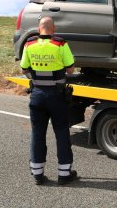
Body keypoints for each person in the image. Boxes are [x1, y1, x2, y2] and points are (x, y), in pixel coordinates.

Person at [20, 16, 77, 185]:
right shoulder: (60, 44)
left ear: (39, 29)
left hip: (37, 95)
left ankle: (37, 174)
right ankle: (64, 174)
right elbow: (71, 70)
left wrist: (38, 78)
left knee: (37, 134)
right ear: (53, 29)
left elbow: (24, 70)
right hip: (57, 96)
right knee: (61, 133)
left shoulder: (29, 44)